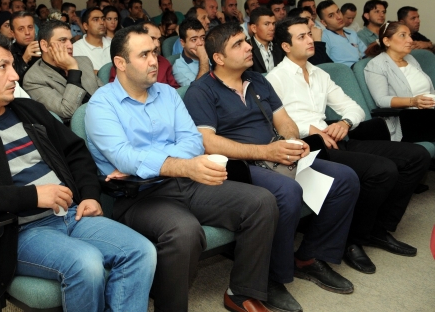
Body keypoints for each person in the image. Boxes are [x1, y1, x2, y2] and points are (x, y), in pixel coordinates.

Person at [0, 32, 156, 312]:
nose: (15, 76)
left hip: (71, 213)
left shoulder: (29, 110)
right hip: (19, 232)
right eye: (3, 67)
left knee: (141, 251)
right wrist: (31, 196)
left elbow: (76, 152)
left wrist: (89, 195)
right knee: (86, 264)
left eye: (13, 65)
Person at [86, 23, 277, 312]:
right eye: (143, 55)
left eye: (154, 52)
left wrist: (150, 161)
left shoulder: (167, 93)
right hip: (138, 195)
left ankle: (241, 293)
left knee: (261, 202)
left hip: (185, 181)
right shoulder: (101, 105)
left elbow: (193, 142)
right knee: (184, 231)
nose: (154, 61)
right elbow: (124, 158)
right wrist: (169, 163)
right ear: (120, 63)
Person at [184, 21, 360, 312]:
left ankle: (310, 256)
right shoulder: (201, 91)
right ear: (218, 58)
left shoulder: (258, 80)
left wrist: (293, 143)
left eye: (246, 41)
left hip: (275, 157)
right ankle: (271, 277)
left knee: (345, 179)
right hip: (239, 166)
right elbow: (208, 143)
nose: (248, 47)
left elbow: (284, 121)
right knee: (287, 191)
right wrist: (266, 151)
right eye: (238, 44)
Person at [267, 16, 431, 274]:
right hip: (307, 146)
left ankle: (377, 227)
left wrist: (345, 122)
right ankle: (353, 239)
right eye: (302, 37)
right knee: (382, 170)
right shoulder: (275, 78)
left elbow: (353, 108)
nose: (310, 40)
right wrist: (308, 129)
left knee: (417, 155)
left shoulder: (319, 73)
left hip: (334, 138)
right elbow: (273, 121)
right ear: (286, 46)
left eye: (309, 34)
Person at [364, 21, 435, 141]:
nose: (410, 40)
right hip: (409, 121)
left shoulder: (410, 59)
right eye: (403, 35)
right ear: (387, 41)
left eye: (410, 35)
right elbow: (381, 100)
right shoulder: (376, 65)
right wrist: (413, 101)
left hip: (429, 114)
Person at [23, 20, 103, 121]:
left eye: (70, 40)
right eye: (62, 40)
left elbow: (105, 93)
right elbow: (67, 112)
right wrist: (73, 70)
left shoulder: (83, 61)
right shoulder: (33, 79)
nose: (70, 45)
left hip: (104, 114)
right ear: (44, 45)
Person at [108, 21, 180, 89]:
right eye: (152, 38)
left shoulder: (164, 62)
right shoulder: (124, 66)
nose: (157, 44)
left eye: (158, 39)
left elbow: (175, 89)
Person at [318, 0, 367, 67]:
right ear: (324, 22)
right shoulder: (324, 36)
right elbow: (326, 65)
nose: (338, 17)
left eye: (338, 11)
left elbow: (366, 54)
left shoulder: (352, 33)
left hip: (360, 68)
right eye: (331, 16)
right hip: (343, 71)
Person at [172, 18, 209, 87]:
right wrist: (203, 58)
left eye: (203, 38)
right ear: (183, 43)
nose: (200, 43)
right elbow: (199, 89)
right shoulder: (179, 66)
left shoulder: (211, 51)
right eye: (194, 39)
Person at [249, 7, 284, 73]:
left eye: (273, 24)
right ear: (254, 28)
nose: (272, 28)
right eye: (266, 24)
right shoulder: (247, 48)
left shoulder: (279, 46)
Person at [10, 11, 40, 82]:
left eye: (30, 27)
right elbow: (11, 81)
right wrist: (24, 59)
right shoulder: (8, 53)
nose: (27, 32)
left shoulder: (43, 47)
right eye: (21, 29)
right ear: (13, 33)